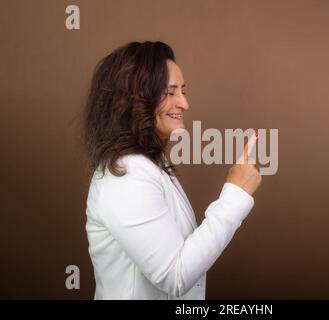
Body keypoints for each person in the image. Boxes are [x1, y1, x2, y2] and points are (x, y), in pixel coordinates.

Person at [82, 41, 262, 299]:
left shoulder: (149, 165)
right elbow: (175, 276)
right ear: (133, 99)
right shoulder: (127, 176)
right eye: (170, 92)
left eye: (183, 91)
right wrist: (235, 194)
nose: (184, 103)